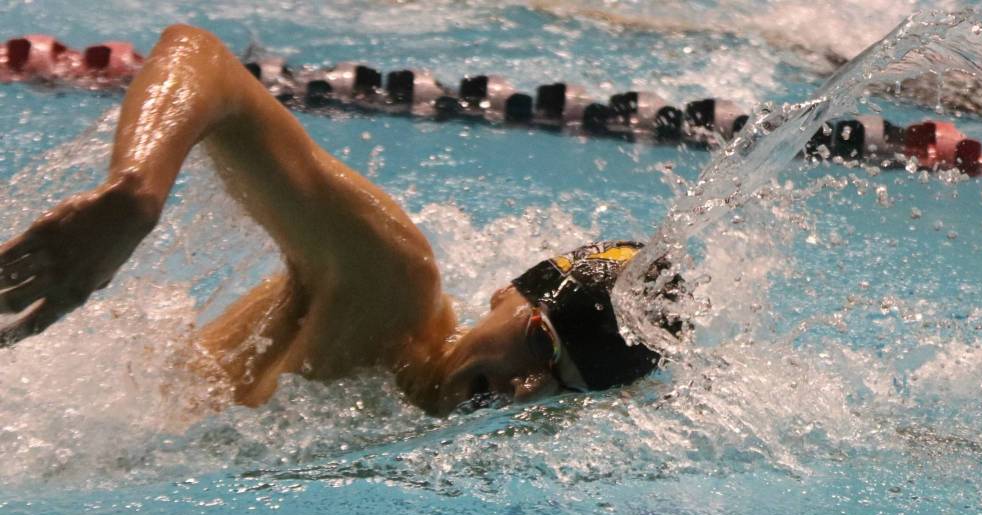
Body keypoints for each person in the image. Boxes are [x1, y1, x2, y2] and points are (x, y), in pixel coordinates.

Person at [0, 24, 678, 416]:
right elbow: (198, 58)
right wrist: (134, 194)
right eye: (537, 341)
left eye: (561, 390)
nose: (524, 387)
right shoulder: (389, 284)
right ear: (508, 293)